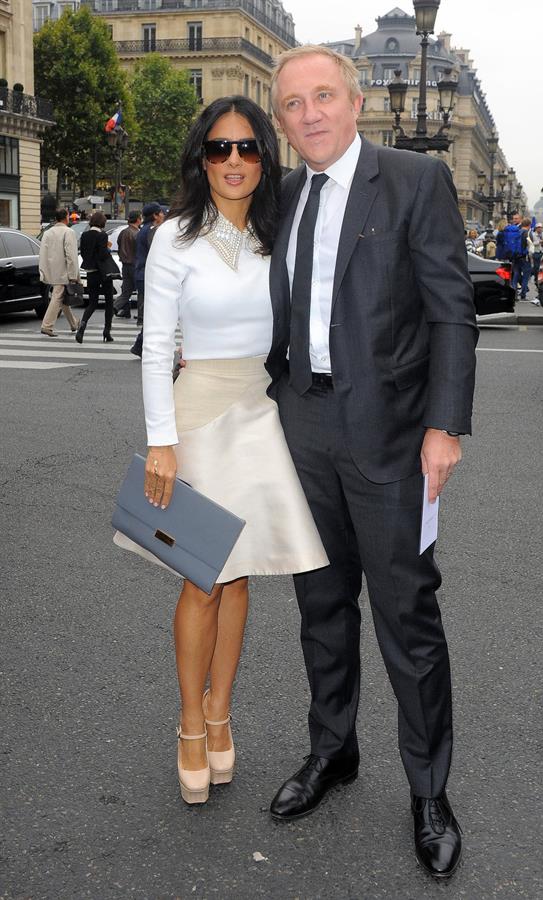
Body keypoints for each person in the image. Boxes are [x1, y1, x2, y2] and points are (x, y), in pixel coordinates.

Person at [265, 46, 478, 879]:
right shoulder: (281, 196)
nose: (309, 113)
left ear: (357, 103)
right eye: (293, 103)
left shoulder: (414, 181)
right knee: (320, 607)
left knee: (408, 621)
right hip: (301, 430)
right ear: (281, 120)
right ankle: (334, 750)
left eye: (324, 96)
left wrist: (445, 426)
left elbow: (451, 311)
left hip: (391, 438)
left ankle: (429, 790)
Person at [113, 96, 328, 807]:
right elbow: (153, 351)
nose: (233, 161)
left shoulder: (280, 235)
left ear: (265, 158)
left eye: (246, 148)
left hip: (259, 413)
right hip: (198, 413)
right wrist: (160, 442)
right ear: (200, 159)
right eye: (218, 148)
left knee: (238, 579)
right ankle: (186, 722)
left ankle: (220, 710)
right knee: (200, 577)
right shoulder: (174, 238)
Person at [129, 202, 166, 357]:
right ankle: (140, 344)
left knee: (153, 312)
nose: (164, 215)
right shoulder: (151, 231)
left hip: (142, 274)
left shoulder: (143, 230)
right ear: (155, 216)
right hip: (148, 275)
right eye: (161, 213)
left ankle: (141, 345)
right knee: (154, 313)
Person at [38, 207, 80, 337]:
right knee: (58, 297)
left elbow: (42, 253)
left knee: (62, 297)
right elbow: (71, 255)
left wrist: (43, 271)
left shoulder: (48, 232)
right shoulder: (69, 232)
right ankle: (47, 325)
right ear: (66, 217)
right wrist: (73, 275)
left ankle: (74, 323)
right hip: (64, 270)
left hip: (51, 270)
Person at [77, 210, 116, 343]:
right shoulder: (103, 235)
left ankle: (82, 326)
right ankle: (107, 331)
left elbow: (82, 252)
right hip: (103, 272)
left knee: (92, 302)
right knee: (109, 301)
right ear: (102, 223)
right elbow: (103, 255)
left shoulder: (85, 235)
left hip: (91, 271)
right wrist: (108, 250)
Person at [113, 210, 142, 318]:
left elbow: (119, 246)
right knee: (141, 291)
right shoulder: (137, 233)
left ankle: (118, 308)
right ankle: (141, 314)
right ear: (138, 219)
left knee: (126, 291)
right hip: (135, 265)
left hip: (125, 264)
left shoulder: (123, 232)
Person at [530, 222, 543, 287]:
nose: (540, 229)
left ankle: (537, 278)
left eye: (541, 228)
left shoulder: (542, 234)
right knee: (536, 267)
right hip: (535, 252)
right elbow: (532, 243)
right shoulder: (533, 234)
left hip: (541, 251)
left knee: (540, 267)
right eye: (539, 228)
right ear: (536, 228)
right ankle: (535, 278)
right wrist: (539, 242)